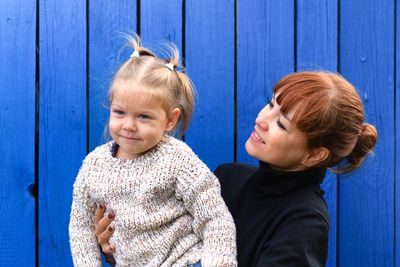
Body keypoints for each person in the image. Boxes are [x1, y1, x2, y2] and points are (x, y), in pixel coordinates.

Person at [94, 71, 378, 266]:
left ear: (315, 154)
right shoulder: (226, 177)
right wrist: (119, 247)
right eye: (271, 104)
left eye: (281, 124)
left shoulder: (304, 222)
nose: (262, 120)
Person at [68, 35, 237, 267]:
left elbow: (214, 217)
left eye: (143, 116)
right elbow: (81, 226)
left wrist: (219, 262)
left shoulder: (177, 160)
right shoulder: (94, 165)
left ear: (170, 120)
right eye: (119, 112)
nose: (129, 125)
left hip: (184, 261)